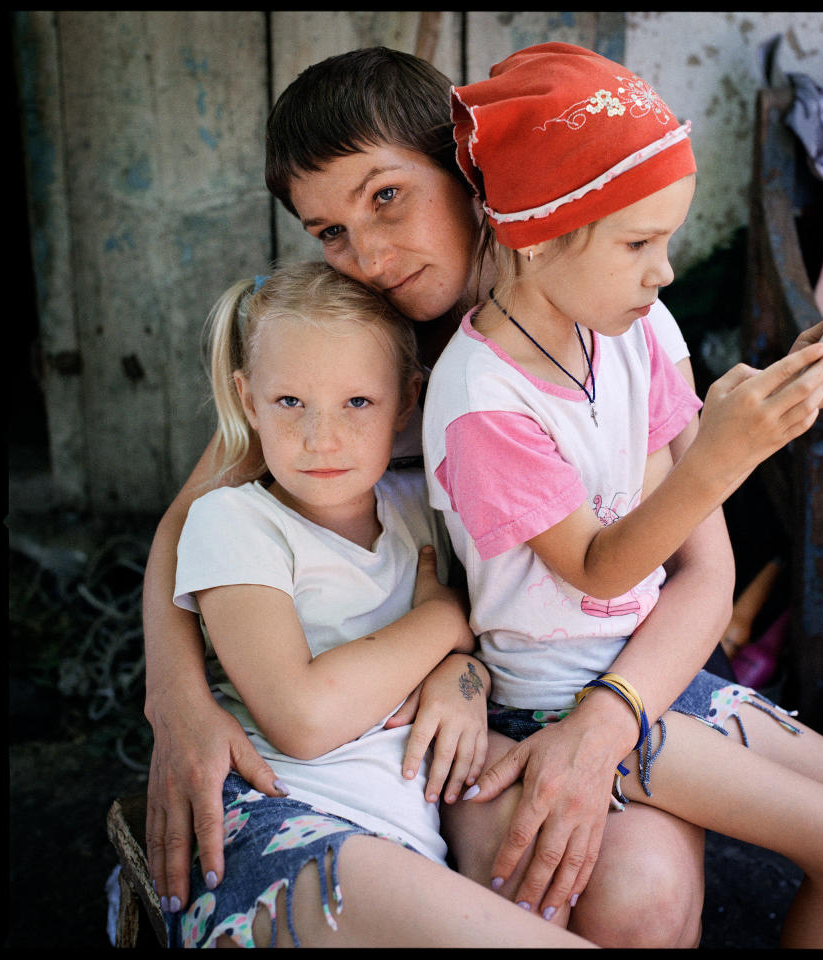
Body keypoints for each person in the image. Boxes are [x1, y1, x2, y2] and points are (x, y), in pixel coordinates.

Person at [140, 47, 823, 947]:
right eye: (329, 230)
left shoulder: (612, 307)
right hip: (465, 695)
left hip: (625, 671)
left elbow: (704, 569)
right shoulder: (345, 357)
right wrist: (174, 702)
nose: (365, 253)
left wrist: (607, 720)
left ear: (469, 171)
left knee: (645, 902)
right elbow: (191, 521)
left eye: (387, 196)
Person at [421, 42, 823, 948]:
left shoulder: (632, 327)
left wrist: (776, 407)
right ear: (537, 235)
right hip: (560, 700)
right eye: (639, 243)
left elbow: (673, 521)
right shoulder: (482, 400)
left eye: (669, 238)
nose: (666, 270)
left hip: (661, 671)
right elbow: (600, 569)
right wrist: (722, 457)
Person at [165, 259, 594, 947]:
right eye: (289, 403)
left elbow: (474, 658)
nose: (320, 437)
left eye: (357, 403)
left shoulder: (419, 510)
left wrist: (464, 683)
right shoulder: (233, 524)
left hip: (412, 815)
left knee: (537, 877)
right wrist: (445, 618)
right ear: (248, 400)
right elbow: (304, 718)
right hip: (286, 817)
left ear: (407, 402)